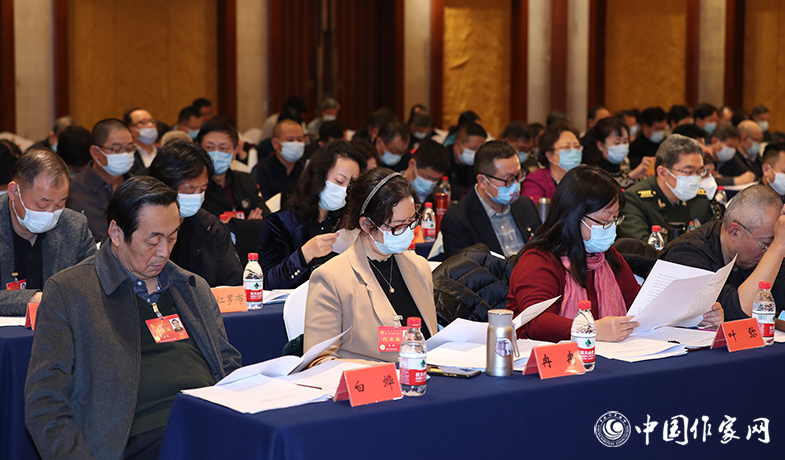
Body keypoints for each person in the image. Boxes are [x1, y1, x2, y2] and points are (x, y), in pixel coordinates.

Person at [25, 176, 241, 460]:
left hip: (208, 423)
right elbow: (45, 403)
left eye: (172, 237)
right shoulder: (71, 292)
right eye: (153, 240)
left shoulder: (191, 287)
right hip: (137, 440)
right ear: (116, 233)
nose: (164, 252)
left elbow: (227, 365)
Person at [508, 166, 722, 343]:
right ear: (573, 216)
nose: (610, 227)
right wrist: (591, 329)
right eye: (604, 221)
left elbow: (641, 310)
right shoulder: (538, 260)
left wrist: (696, 316)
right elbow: (535, 322)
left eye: (615, 219)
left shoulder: (608, 258)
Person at [304, 168, 438, 365]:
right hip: (370, 380)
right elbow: (319, 361)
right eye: (398, 226)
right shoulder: (331, 278)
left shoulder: (419, 267)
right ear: (367, 225)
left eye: (412, 221)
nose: (408, 231)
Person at [659, 184, 785, 319]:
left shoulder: (753, 254)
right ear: (734, 231)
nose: (767, 254)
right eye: (765, 244)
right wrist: (778, 247)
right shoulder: (686, 254)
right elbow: (741, 312)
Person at [259, 140, 365, 289]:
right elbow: (268, 281)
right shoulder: (282, 222)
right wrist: (304, 255)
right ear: (318, 176)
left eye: (351, 184)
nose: (345, 190)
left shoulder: (348, 222)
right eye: (339, 181)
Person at [1, 150, 95, 316]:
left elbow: (94, 284)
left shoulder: (75, 226)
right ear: (14, 191)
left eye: (60, 204)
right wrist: (34, 299)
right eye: (42, 204)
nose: (51, 213)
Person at [148, 140, 243, 287]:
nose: (197, 196)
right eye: (190, 190)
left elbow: (233, 283)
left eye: (203, 189)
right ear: (164, 186)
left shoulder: (211, 228)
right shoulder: (139, 225)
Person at [442, 140, 541, 258]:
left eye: (518, 175)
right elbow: (464, 268)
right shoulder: (458, 219)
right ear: (482, 181)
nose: (516, 184)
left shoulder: (526, 205)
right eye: (508, 179)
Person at [618, 134, 716, 241]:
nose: (696, 178)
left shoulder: (699, 198)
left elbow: (714, 239)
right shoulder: (635, 200)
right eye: (689, 171)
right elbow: (640, 246)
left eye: (700, 171)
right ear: (663, 173)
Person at [67, 118, 136, 242]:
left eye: (129, 149)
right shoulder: (71, 190)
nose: (124, 154)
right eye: (116, 149)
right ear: (95, 152)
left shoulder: (138, 189)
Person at [199, 117, 268, 220]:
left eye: (223, 148)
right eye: (209, 147)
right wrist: (247, 225)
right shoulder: (194, 187)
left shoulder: (246, 180)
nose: (216, 153)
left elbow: (266, 219)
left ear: (235, 152)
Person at [582, 117, 653, 188]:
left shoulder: (627, 172)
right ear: (600, 145)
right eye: (617, 143)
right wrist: (631, 176)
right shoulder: (593, 175)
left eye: (625, 142)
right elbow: (610, 191)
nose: (622, 146)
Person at [521, 122, 581, 201]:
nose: (573, 151)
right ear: (549, 155)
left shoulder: (583, 178)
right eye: (566, 147)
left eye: (577, 147)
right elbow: (533, 207)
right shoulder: (536, 180)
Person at [252, 119, 307, 202]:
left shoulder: (306, 169)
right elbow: (260, 202)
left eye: (299, 140)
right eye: (290, 140)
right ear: (275, 143)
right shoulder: (262, 170)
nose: (296, 144)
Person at [402, 139, 450, 205]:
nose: (430, 183)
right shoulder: (391, 190)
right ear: (412, 164)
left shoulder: (438, 197)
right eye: (428, 177)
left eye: (436, 180)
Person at [448, 122, 488, 197]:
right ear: (457, 144)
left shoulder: (479, 164)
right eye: (473, 148)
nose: (476, 153)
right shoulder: (443, 158)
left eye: (480, 149)